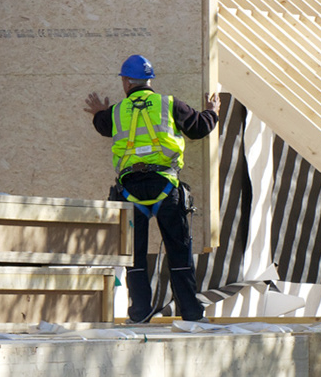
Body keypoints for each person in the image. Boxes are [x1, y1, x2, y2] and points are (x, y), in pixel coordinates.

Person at [83, 54, 219, 323]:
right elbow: (198, 128)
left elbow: (102, 126)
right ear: (149, 81)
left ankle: (140, 312)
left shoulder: (117, 111)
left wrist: (99, 111)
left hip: (130, 191)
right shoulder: (169, 104)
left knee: (136, 257)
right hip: (165, 187)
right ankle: (191, 313)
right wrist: (212, 111)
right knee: (179, 253)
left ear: (125, 82)